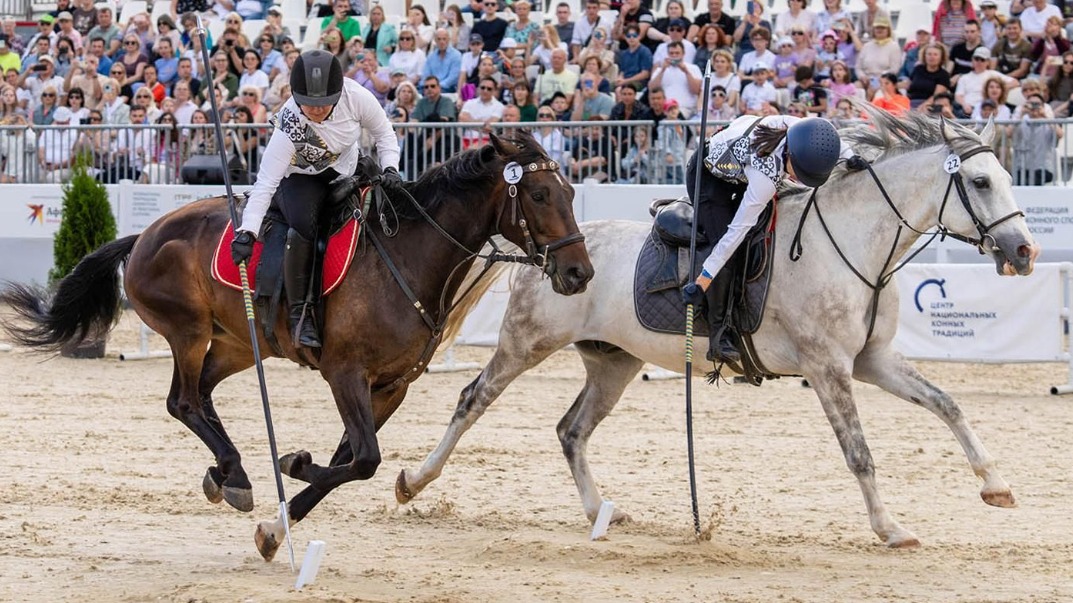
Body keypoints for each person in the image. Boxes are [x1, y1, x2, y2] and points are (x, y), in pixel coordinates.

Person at [230, 50, 402, 349]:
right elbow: (266, 182)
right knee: (304, 225)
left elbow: (384, 134)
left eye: (324, 104)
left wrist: (390, 168)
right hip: (300, 177)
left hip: (348, 168)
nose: (317, 110)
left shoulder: (357, 96)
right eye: (308, 104)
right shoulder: (288, 125)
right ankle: (301, 314)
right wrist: (247, 231)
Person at [682, 115, 862, 367]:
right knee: (730, 249)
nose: (799, 181)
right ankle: (719, 335)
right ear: (790, 158)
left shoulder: (798, 130)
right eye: (799, 174)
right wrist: (704, 279)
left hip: (741, 166)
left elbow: (827, 136)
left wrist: (851, 156)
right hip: (710, 180)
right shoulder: (764, 179)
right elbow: (737, 231)